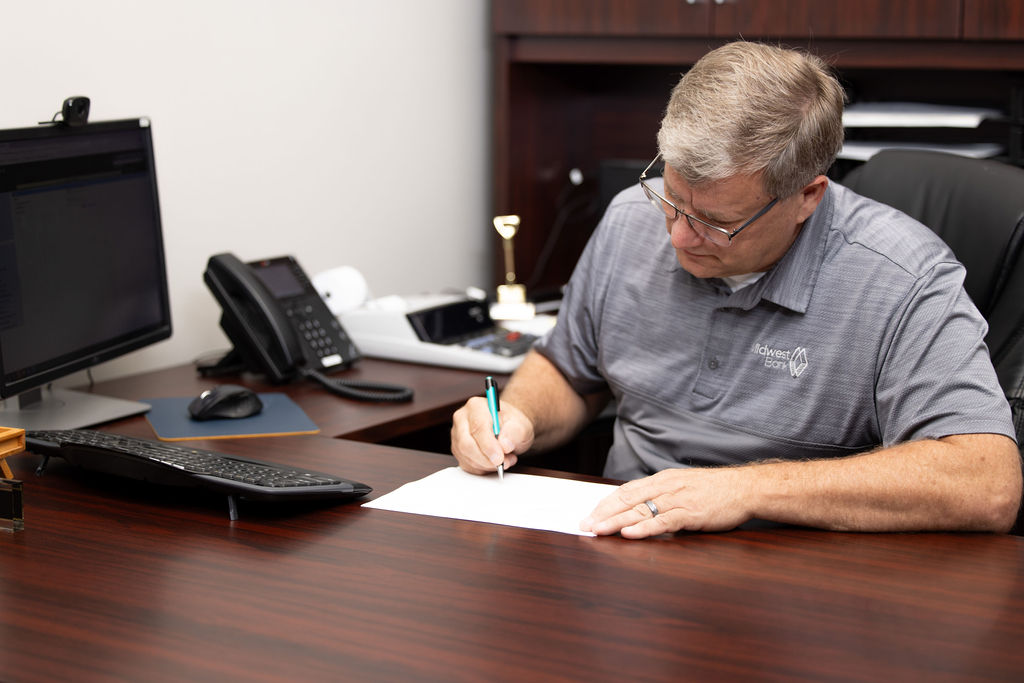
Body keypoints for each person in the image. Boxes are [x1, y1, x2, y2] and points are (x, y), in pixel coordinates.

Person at [451, 41, 1022, 537]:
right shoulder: (630, 221)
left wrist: (745, 490)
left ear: (808, 196)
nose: (678, 235)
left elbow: (985, 482)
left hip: (792, 577)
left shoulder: (900, 276)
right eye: (671, 199)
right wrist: (517, 417)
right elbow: (569, 371)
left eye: (717, 222)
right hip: (619, 546)